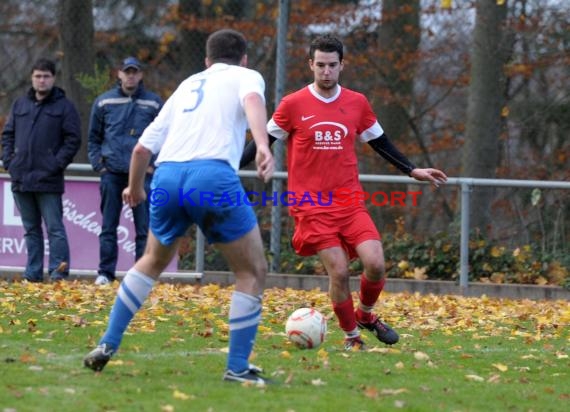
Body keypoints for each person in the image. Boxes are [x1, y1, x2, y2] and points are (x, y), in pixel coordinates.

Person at [83, 29, 275, 385]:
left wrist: (134, 187)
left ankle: (108, 342)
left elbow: (141, 149)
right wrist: (262, 144)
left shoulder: (188, 85)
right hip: (212, 175)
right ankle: (236, 367)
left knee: (152, 260)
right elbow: (252, 102)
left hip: (168, 177)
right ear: (244, 59)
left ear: (206, 61)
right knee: (252, 272)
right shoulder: (247, 76)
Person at [242, 34, 447, 351]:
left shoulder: (356, 102)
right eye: (320, 65)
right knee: (338, 270)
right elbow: (262, 142)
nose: (326, 71)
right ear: (311, 65)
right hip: (310, 205)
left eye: (332, 65)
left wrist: (412, 170)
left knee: (376, 263)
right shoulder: (293, 104)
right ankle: (352, 336)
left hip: (349, 202)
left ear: (342, 65)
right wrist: (228, 165)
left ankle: (365, 316)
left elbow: (380, 142)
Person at [1, 58, 81, 282]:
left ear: (53, 79)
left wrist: (55, 164)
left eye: (46, 76)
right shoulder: (19, 105)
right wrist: (10, 162)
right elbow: (7, 135)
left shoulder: (65, 107)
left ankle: (59, 273)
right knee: (30, 229)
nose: (41, 80)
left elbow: (73, 140)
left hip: (48, 180)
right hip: (22, 178)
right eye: (37, 76)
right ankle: (33, 274)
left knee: (55, 228)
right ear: (32, 78)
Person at [88, 56, 163, 285]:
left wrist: (152, 166)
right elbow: (93, 138)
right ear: (119, 74)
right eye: (126, 71)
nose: (130, 75)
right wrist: (99, 165)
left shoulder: (153, 103)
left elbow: (164, 136)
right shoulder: (103, 102)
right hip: (112, 173)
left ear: (140, 75)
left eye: (134, 71)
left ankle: (141, 276)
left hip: (142, 175)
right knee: (109, 226)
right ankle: (105, 273)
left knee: (143, 228)